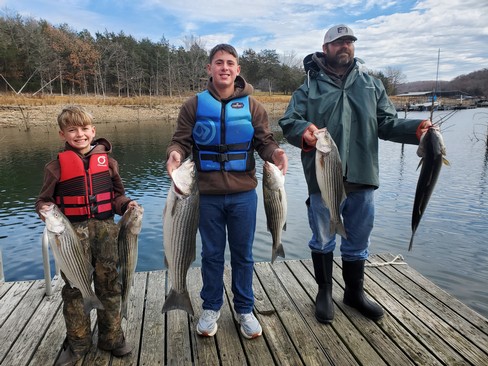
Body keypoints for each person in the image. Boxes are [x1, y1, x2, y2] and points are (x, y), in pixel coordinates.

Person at [278, 24, 433, 324]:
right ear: (326, 49)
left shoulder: (371, 85)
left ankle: (354, 293)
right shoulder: (308, 88)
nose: (345, 46)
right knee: (322, 238)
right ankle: (324, 292)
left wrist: (416, 130)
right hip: (323, 179)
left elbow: (387, 124)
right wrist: (303, 133)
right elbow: (288, 122)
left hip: (363, 177)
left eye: (349, 41)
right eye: (338, 42)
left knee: (358, 240)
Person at [166, 43, 288, 339]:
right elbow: (181, 140)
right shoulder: (193, 105)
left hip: (243, 194)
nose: (224, 67)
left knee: (243, 255)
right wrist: (175, 154)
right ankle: (211, 307)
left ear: (238, 70)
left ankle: (245, 308)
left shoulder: (253, 106)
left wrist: (276, 154)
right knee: (211, 254)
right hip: (204, 195)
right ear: (209, 68)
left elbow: (264, 142)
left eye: (230, 63)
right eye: (218, 62)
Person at [35, 105, 139, 366]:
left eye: (84, 129)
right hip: (72, 234)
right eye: (72, 130)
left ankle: (112, 337)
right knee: (73, 290)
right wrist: (44, 209)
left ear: (93, 131)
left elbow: (116, 196)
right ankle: (78, 342)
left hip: (106, 230)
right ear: (62, 134)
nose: (79, 134)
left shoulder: (109, 163)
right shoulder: (55, 167)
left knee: (110, 285)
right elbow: (43, 200)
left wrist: (127, 205)